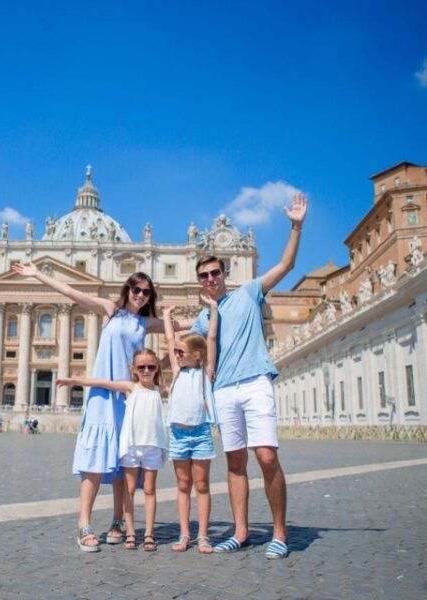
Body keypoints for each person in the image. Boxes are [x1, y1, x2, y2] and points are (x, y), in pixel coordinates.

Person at [13, 261, 177, 552]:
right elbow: (72, 293)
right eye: (137, 289)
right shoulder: (109, 309)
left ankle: (117, 521)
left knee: (122, 461)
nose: (141, 295)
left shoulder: (146, 323)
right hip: (103, 393)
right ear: (127, 289)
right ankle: (84, 524)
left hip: (128, 398)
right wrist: (37, 274)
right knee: (93, 462)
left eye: (146, 293)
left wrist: (215, 314)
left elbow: (178, 327)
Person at [189, 192, 307, 560]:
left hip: (255, 381)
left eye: (215, 273)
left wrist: (296, 226)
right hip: (223, 389)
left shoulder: (250, 292)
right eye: (204, 276)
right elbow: (186, 343)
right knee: (235, 462)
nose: (210, 279)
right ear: (200, 281)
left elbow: (287, 264)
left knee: (267, 456)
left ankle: (280, 533)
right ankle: (241, 532)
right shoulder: (203, 318)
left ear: (225, 273)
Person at [59, 348, 167, 552]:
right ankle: (132, 532)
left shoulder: (159, 390)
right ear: (133, 369)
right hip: (131, 447)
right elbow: (101, 382)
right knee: (129, 489)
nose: (146, 370)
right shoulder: (130, 387)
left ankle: (149, 533)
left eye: (150, 367)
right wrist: (74, 380)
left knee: (149, 490)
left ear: (157, 368)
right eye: (141, 367)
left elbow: (183, 383)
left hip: (152, 446)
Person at [163, 294, 219, 554]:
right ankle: (185, 534)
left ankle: (204, 536)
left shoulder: (205, 372)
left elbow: (211, 339)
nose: (176, 354)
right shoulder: (177, 372)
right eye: (176, 352)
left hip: (200, 434)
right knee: (183, 485)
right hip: (177, 434)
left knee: (202, 485)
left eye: (181, 352)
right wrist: (166, 315)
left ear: (197, 356)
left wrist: (213, 309)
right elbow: (168, 339)